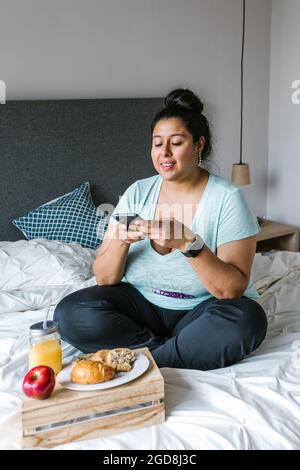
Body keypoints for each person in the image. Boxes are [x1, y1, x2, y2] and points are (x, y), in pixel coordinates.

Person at [54, 88, 267, 370]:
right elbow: (105, 278)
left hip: (200, 309)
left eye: (176, 142)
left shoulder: (227, 198)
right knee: (70, 313)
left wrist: (188, 244)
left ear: (198, 144)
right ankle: (169, 352)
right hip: (141, 307)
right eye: (157, 144)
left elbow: (231, 289)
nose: (164, 153)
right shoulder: (138, 192)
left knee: (247, 319)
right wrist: (121, 240)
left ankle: (143, 360)